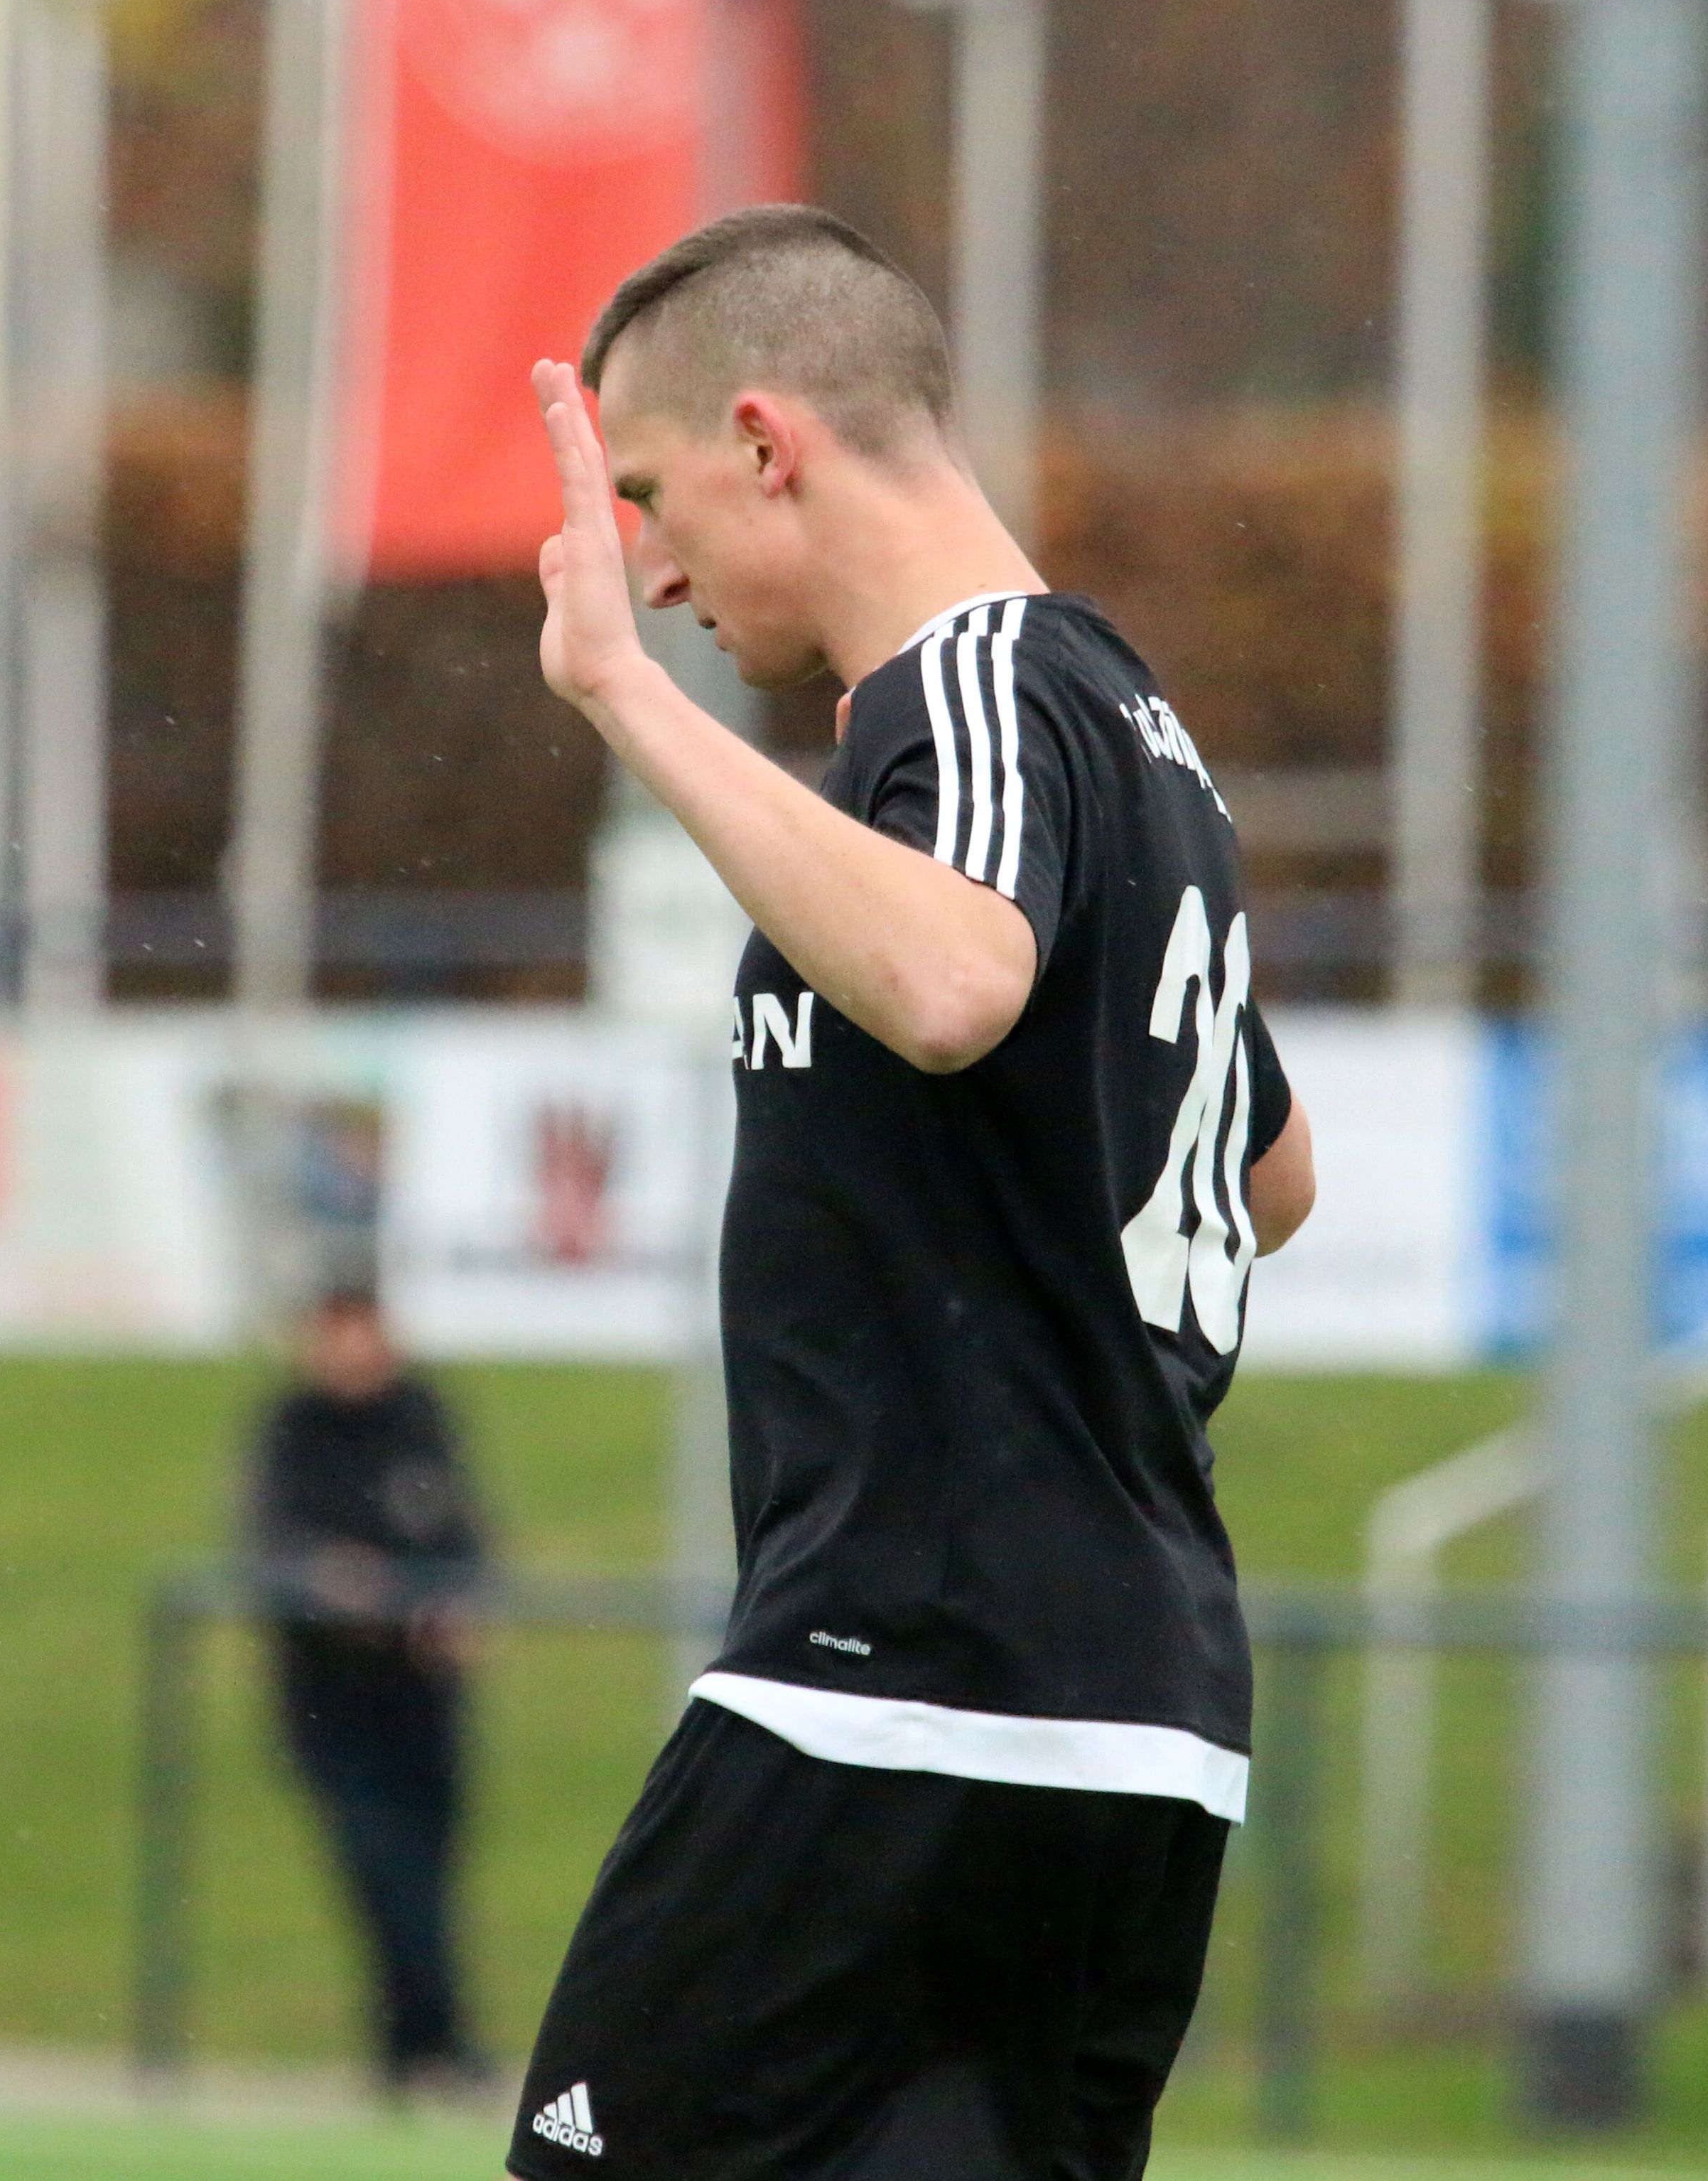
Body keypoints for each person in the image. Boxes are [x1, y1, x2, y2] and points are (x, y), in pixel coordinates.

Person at [501, 205, 1317, 2180]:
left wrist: (626, 695)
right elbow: (1270, 1172)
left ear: (770, 442)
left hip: (909, 1682)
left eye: (649, 497)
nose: (650, 564)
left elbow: (955, 984)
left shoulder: (969, 692)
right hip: (1132, 1726)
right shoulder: (1135, 741)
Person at [248, 1283, 493, 2099]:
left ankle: (414, 2045)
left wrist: (457, 1604)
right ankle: (431, 2040)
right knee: (378, 1869)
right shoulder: (292, 1428)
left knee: (430, 1867)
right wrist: (334, 1587)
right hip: (331, 1698)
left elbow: (465, 1533)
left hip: (421, 1694)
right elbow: (273, 1544)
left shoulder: (419, 1417)